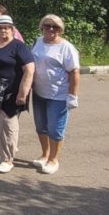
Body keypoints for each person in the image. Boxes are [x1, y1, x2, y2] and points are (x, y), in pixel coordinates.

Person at [0, 15, 35, 173]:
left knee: (8, 125)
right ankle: (0, 152)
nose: (3, 30)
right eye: (0, 27)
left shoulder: (18, 46)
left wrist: (23, 93)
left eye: (6, 27)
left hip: (11, 93)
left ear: (12, 29)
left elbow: (29, 70)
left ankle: (8, 159)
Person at [31, 14, 80, 175]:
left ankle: (53, 159)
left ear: (61, 30)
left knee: (55, 129)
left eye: (55, 27)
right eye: (47, 25)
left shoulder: (66, 47)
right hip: (39, 92)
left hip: (58, 95)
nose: (51, 29)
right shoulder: (37, 41)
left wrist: (73, 96)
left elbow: (74, 72)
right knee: (41, 127)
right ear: (42, 27)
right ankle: (45, 155)